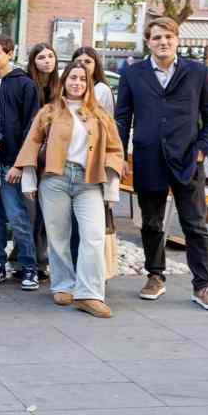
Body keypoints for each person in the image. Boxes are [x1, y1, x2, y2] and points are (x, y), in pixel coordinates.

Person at [116, 17, 208, 311]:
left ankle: (202, 286)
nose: (162, 42)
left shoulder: (197, 72)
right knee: (151, 222)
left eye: (168, 37)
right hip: (148, 158)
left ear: (177, 40)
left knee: (195, 224)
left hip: (188, 160)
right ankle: (155, 276)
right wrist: (119, 157)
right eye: (156, 38)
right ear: (148, 42)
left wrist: (202, 149)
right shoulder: (132, 74)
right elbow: (123, 116)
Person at [15, 61, 124, 318]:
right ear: (63, 82)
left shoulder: (100, 115)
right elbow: (32, 143)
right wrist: (29, 180)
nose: (77, 83)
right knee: (58, 236)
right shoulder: (49, 112)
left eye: (82, 79)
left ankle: (90, 294)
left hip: (89, 182)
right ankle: (63, 285)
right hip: (56, 179)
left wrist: (111, 190)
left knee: (93, 236)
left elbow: (114, 151)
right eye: (72, 78)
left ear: (89, 84)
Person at [0, 35, 41, 290]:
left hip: (13, 165)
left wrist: (20, 164)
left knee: (18, 218)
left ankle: (28, 268)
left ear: (9, 53)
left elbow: (32, 128)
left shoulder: (25, 85)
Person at [20, 42, 59, 277]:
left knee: (47, 211)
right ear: (33, 61)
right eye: (41, 57)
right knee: (30, 210)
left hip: (55, 155)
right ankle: (26, 258)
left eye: (50, 56)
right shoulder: (27, 85)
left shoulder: (60, 87)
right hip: (31, 153)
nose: (47, 60)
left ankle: (41, 260)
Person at [71, 46, 114, 116]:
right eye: (78, 61)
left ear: (96, 65)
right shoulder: (65, 86)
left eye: (87, 62)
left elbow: (108, 119)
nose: (82, 64)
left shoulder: (102, 89)